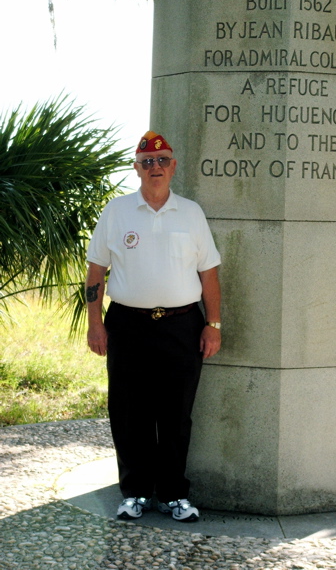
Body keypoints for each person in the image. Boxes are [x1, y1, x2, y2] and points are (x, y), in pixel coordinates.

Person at [85, 131, 221, 522]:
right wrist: (95, 324)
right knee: (129, 412)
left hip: (182, 326)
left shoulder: (191, 213)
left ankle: (174, 495)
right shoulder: (117, 211)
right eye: (147, 162)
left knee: (176, 414)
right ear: (136, 168)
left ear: (173, 166)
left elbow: (209, 274)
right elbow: (97, 270)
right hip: (128, 325)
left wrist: (212, 324)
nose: (155, 167)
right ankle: (135, 493)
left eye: (162, 160)